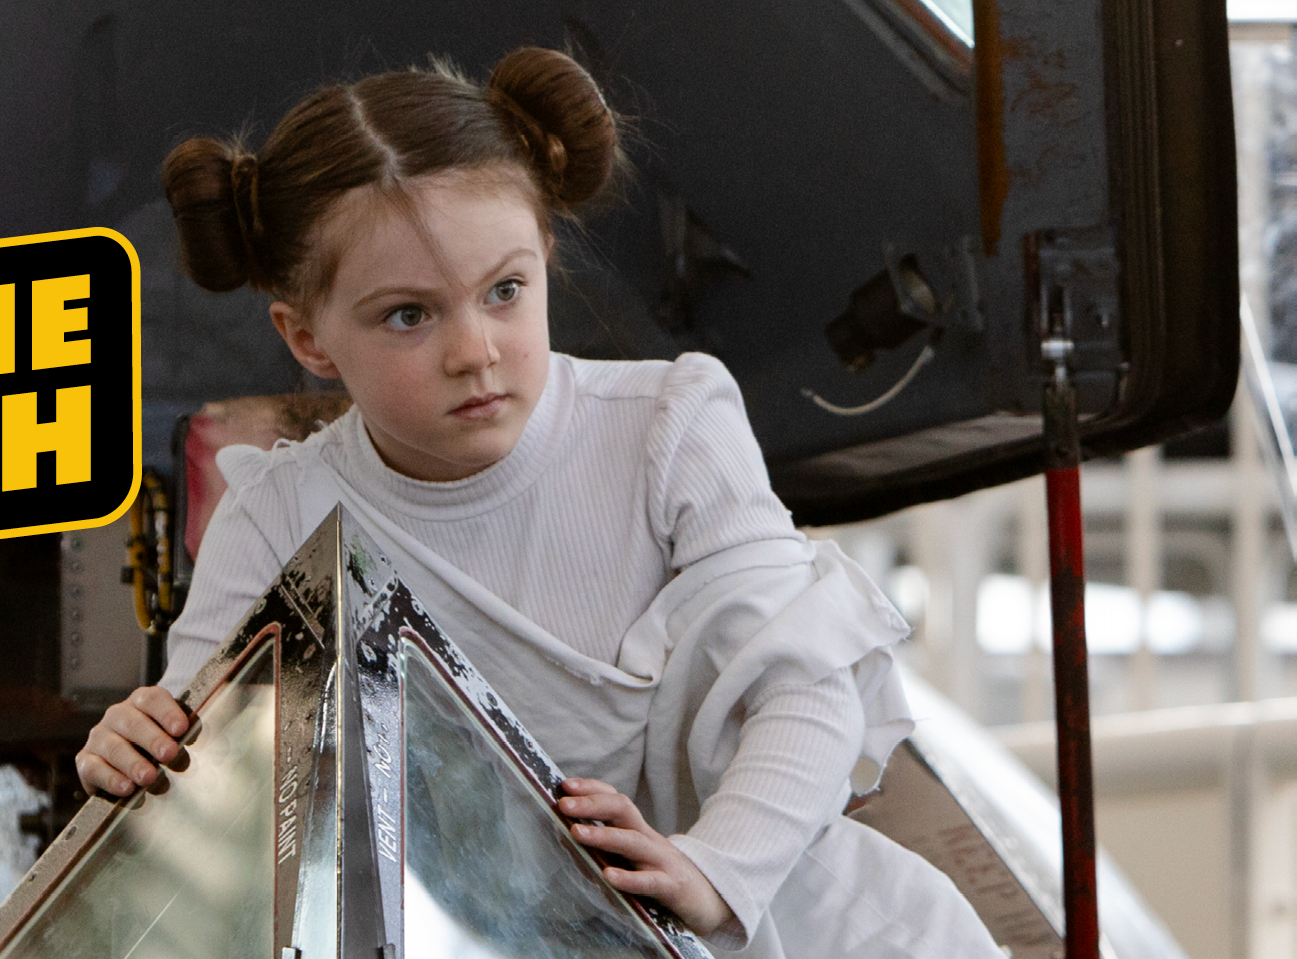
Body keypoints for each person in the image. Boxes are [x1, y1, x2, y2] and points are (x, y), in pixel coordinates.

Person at [75, 46, 1002, 958]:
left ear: (547, 258)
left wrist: (713, 870)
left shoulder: (666, 425)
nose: (474, 350)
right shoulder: (279, 511)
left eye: (505, 291)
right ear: (308, 338)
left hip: (792, 926)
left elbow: (806, 685)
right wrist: (135, 749)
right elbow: (206, 765)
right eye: (410, 314)